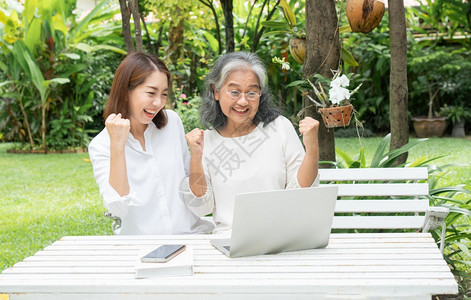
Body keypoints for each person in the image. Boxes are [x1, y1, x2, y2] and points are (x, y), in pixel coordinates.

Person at [181, 51, 320, 233]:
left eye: (252, 92)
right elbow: (201, 206)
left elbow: (301, 193)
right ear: (216, 92)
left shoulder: (279, 128)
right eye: (234, 92)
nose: (243, 101)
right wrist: (196, 157)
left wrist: (312, 148)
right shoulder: (206, 141)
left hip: (278, 238)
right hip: (229, 241)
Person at [88, 51, 214, 235]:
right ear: (125, 92)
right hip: (142, 247)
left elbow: (197, 198)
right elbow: (118, 207)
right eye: (150, 93)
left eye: (163, 94)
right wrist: (117, 146)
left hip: (190, 237)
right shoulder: (100, 145)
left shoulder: (172, 123)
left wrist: (196, 156)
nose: (158, 103)